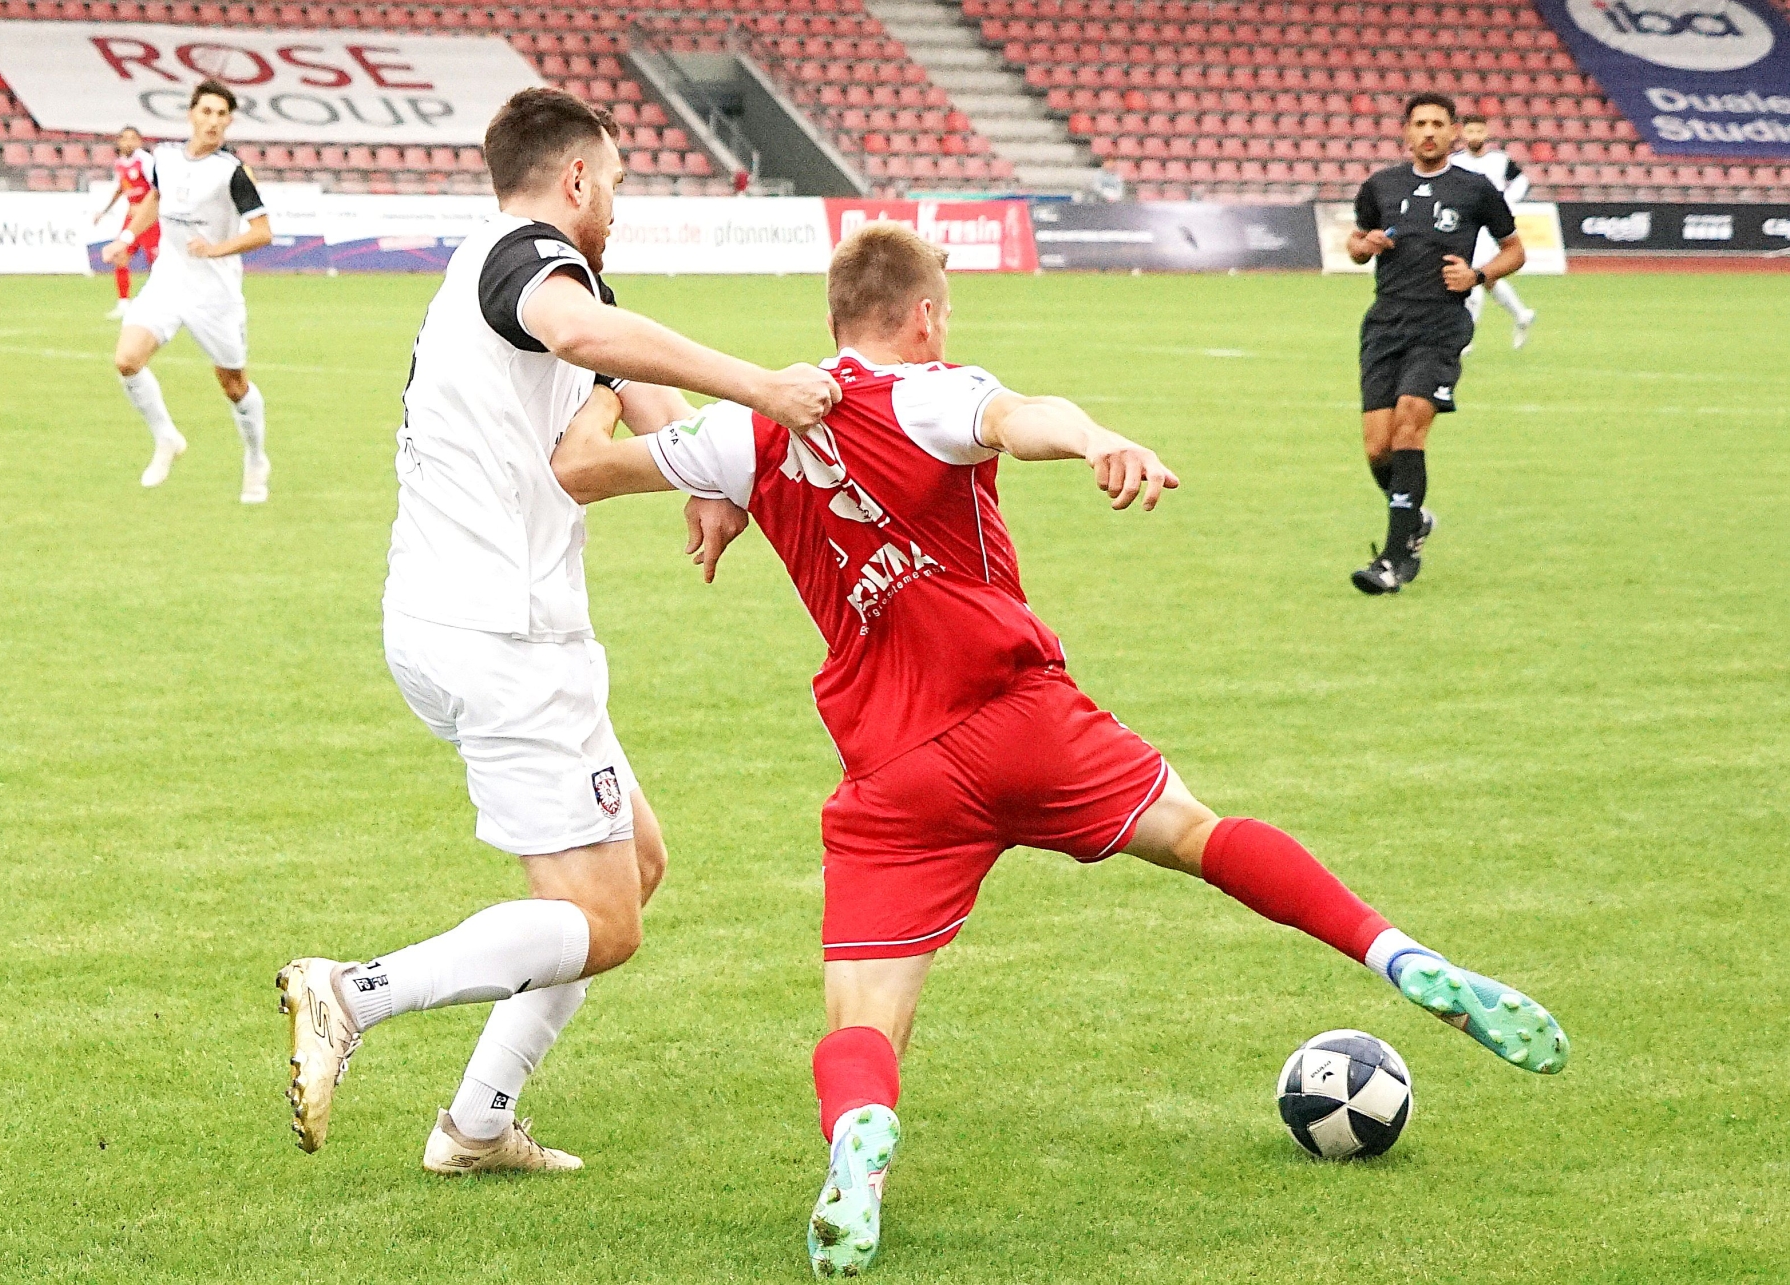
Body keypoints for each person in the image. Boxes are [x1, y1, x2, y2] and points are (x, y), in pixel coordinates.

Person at [549, 221, 1569, 1278]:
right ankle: (1398, 954)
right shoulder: (930, 392)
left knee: (864, 1014)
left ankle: (860, 1136)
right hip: (1020, 718)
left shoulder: (746, 427)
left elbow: (579, 469)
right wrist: (1096, 441)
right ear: (925, 317)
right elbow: (1021, 417)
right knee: (1198, 836)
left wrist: (611, 382)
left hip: (894, 769)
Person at [274, 87, 840, 1175]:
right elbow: (587, 336)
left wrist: (706, 470)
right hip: (505, 637)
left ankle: (477, 1127)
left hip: (458, 622)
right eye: (614, 183)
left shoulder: (524, 279)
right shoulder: (526, 260)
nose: (617, 206)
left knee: (638, 861)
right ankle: (352, 992)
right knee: (604, 921)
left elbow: (617, 369)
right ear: (576, 178)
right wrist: (761, 387)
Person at [1346, 91, 1525, 596]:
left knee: (1410, 425)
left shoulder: (1475, 189)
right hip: (1385, 323)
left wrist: (1478, 275)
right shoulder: (1381, 185)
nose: (1428, 132)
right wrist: (1366, 246)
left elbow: (1514, 250)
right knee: (1377, 448)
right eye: (1420, 123)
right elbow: (1355, 244)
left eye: (1438, 124)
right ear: (1405, 132)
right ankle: (1415, 518)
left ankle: (1393, 560)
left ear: (1453, 133)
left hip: (1441, 324)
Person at [105, 80, 273, 502]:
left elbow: (262, 232)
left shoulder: (232, 172)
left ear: (229, 122)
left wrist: (215, 249)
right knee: (127, 360)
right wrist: (127, 238)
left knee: (234, 386)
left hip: (215, 292)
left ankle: (256, 459)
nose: (213, 121)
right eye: (206, 112)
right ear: (191, 115)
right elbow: (155, 199)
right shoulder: (163, 158)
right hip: (168, 281)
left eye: (222, 115)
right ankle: (167, 438)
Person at [1454, 113, 1537, 351]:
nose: (1475, 136)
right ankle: (1521, 315)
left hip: (1490, 227)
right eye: (1470, 131)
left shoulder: (1499, 160)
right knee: (1488, 278)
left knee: (1474, 273)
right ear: (1462, 133)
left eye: (1479, 131)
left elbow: (1521, 181)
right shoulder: (1455, 161)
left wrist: (1505, 202)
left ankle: (1465, 338)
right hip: (1465, 224)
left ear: (1486, 133)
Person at [95, 127, 158, 321]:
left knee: (156, 262)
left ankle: (160, 304)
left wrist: (144, 208)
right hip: (131, 218)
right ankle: (123, 303)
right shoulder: (119, 164)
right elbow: (121, 188)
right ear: (119, 142)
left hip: (150, 219)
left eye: (133, 138)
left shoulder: (145, 161)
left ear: (139, 142)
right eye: (124, 138)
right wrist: (104, 211)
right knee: (120, 256)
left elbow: (156, 188)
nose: (128, 142)